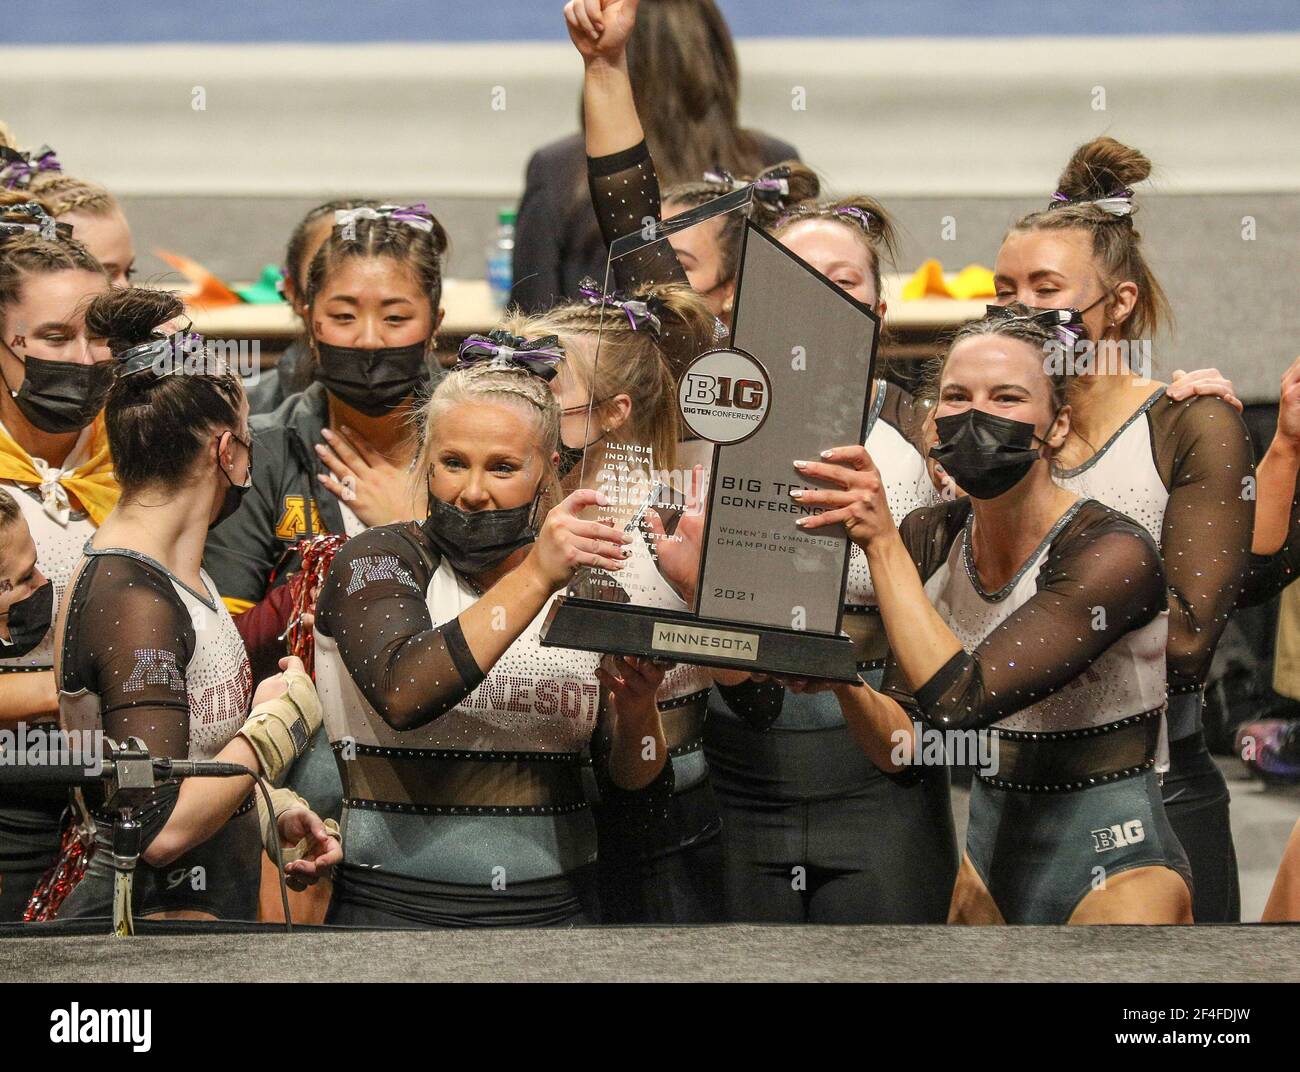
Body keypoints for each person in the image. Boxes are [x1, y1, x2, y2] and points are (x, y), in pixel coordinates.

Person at [571, 0, 957, 923]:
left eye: (848, 282)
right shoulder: (717, 396)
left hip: (885, 796)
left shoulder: (926, 432)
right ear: (746, 303)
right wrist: (606, 69)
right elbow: (637, 244)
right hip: (739, 792)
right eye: (801, 281)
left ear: (881, 305)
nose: (826, 297)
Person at [808, 309, 1191, 924]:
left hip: (1119, 866)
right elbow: (908, 746)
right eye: (956, 397)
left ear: (1058, 424)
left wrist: (879, 544)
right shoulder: (930, 536)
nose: (975, 414)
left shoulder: (1114, 553)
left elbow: (964, 699)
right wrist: (840, 680)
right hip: (987, 862)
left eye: (1006, 397)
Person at [991, 137, 1254, 922]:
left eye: (1046, 288)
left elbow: (1187, 643)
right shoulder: (994, 430)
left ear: (1121, 303)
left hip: (1159, 794)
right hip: (1006, 796)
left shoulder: (1189, 421)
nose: (1018, 309)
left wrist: (995, 653)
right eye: (1004, 288)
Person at [312, 356, 670, 927]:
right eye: (453, 463)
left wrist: (637, 711)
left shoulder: (590, 585)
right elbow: (404, 692)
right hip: (392, 917)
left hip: (559, 917)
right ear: (426, 464)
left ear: (547, 469)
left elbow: (638, 800)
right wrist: (536, 578)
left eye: (503, 468)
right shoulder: (376, 560)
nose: (472, 491)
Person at [54, 286, 340, 922]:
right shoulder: (131, 597)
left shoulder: (184, 576)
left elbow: (199, 761)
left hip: (203, 912)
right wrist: (279, 725)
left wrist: (269, 805)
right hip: (141, 933)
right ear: (226, 451)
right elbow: (158, 829)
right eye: (247, 435)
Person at [204, 203, 448, 686]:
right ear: (310, 322)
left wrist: (414, 528)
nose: (369, 341)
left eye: (397, 318)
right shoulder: (257, 454)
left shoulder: (482, 445)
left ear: (435, 325)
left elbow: (515, 616)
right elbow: (219, 652)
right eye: (342, 316)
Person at [514, 0, 798, 312]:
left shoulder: (557, 170)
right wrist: (603, 65)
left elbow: (530, 321)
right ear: (718, 64)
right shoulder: (773, 164)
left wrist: (604, 65)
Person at [0, 201, 114, 920]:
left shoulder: (139, 452)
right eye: (53, 336)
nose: (82, 359)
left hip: (121, 800)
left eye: (98, 335)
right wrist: (82, 693)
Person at [244, 198, 381, 415]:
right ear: (293, 293)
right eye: (321, 272)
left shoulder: (451, 407)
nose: (368, 338)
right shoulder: (243, 414)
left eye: (395, 316)